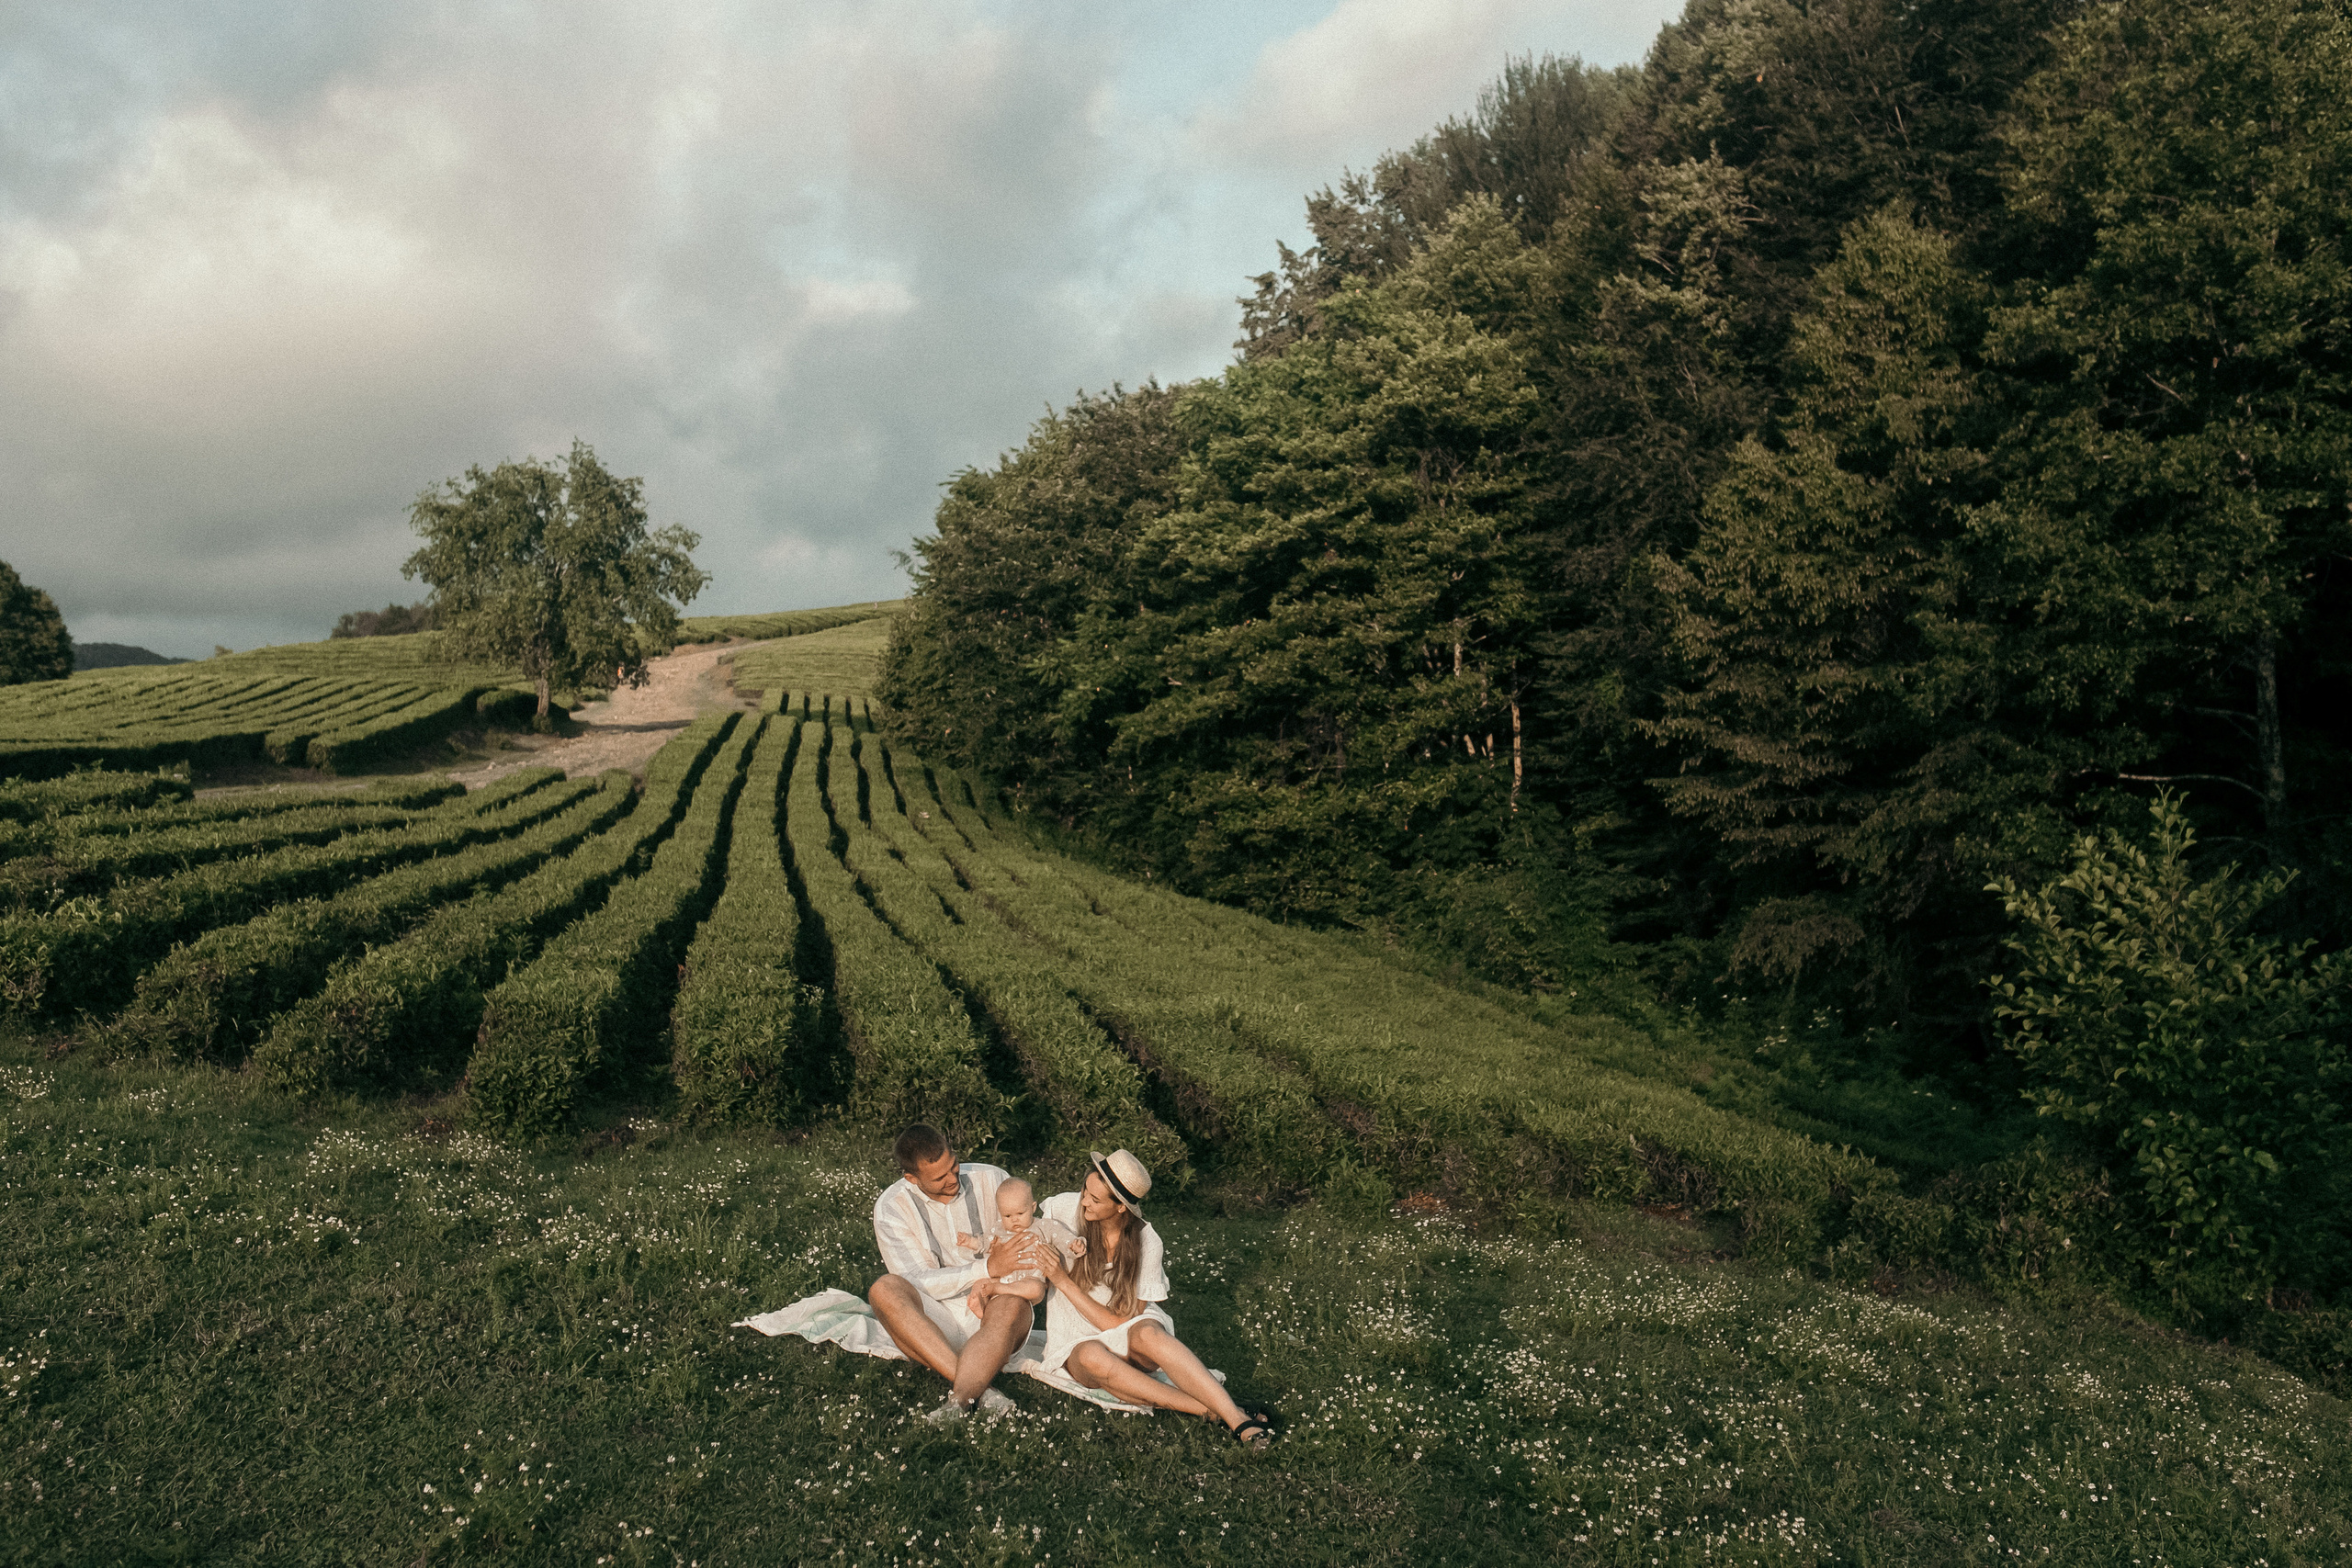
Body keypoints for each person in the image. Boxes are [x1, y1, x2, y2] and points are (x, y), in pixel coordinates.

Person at [980, 1148, 1272, 1448]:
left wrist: (1063, 1282)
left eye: (1095, 1200)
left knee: (1149, 1331)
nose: (1083, 1202)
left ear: (1121, 1207)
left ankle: (1232, 1418)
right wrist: (989, 1275)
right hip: (1077, 1341)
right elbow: (1014, 1234)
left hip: (1128, 1331)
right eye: (1085, 1191)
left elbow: (1119, 1323)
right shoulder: (1063, 1210)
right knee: (1093, 1356)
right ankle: (1227, 1414)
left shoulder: (1146, 1241)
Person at [865, 1123, 1040, 1423]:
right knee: (883, 1289)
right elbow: (914, 1281)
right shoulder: (891, 1207)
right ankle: (982, 1392)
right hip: (930, 1321)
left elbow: (1029, 1251)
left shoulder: (994, 1179)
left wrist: (995, 1283)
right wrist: (986, 1268)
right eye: (939, 1177)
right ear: (911, 1178)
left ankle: (960, 1400)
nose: (952, 1178)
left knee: (1014, 1302)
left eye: (954, 1165)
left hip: (995, 1311)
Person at [957, 1178, 1084, 1320]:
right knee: (980, 1283)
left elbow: (1061, 1236)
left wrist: (1073, 1244)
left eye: (1020, 1214)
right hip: (1002, 1278)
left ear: (1033, 1207)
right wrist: (971, 1241)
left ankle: (999, 1290)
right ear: (1000, 1213)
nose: (1014, 1220)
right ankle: (980, 1306)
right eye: (1008, 1215)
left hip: (1030, 1278)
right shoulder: (998, 1228)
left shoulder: (1043, 1226)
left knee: (1037, 1289)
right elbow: (986, 1242)